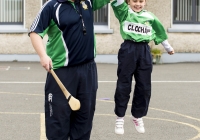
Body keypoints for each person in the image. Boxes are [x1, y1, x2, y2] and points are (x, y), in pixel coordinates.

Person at [28, 0, 110, 139]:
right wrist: (43, 56)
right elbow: (35, 32)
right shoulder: (52, 6)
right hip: (62, 72)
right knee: (58, 123)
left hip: (88, 70)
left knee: (84, 121)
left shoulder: (88, 2)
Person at [111, 0, 175, 135]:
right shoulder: (124, 12)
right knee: (124, 84)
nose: (138, 4)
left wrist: (168, 47)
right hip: (128, 49)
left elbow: (159, 32)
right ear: (128, 2)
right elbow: (118, 2)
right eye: (134, 1)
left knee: (144, 86)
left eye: (141, 1)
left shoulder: (150, 17)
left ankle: (137, 116)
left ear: (145, 2)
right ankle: (120, 117)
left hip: (144, 51)